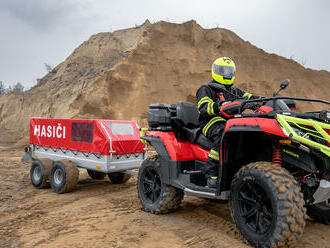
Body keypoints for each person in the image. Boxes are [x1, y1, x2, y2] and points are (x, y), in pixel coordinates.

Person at [196, 57, 260, 188]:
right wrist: (219, 106)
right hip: (210, 122)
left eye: (229, 71)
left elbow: (249, 98)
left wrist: (263, 101)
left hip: (230, 121)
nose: (226, 74)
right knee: (223, 134)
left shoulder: (234, 91)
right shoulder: (206, 88)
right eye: (223, 71)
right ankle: (212, 174)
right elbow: (203, 107)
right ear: (215, 71)